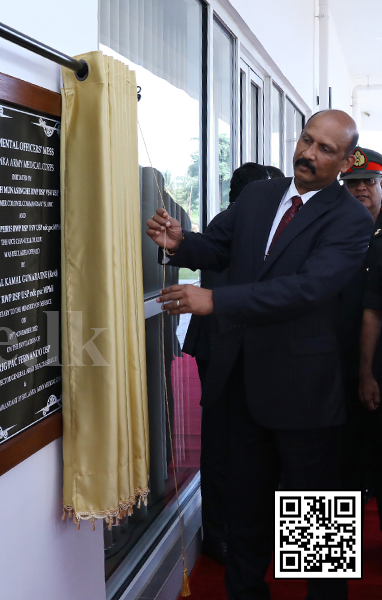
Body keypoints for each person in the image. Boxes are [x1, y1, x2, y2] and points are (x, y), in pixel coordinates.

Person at [146, 109, 369, 600]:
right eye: (307, 141)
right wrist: (180, 244)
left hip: (307, 393)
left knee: (317, 525)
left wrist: (215, 300)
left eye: (325, 149)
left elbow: (307, 289)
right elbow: (219, 247)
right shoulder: (259, 195)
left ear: (345, 159)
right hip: (241, 385)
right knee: (244, 513)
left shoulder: (350, 219)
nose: (308, 154)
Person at [182, 162, 271, 566]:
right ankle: (228, 541)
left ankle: (312, 566)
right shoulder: (238, 226)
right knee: (228, 443)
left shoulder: (339, 223)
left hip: (311, 368)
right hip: (230, 348)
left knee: (312, 463)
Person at [346, 147, 382, 528]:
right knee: (332, 466)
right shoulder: (327, 228)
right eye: (352, 183)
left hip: (378, 368)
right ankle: (325, 576)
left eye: (368, 182)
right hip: (332, 365)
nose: (360, 190)